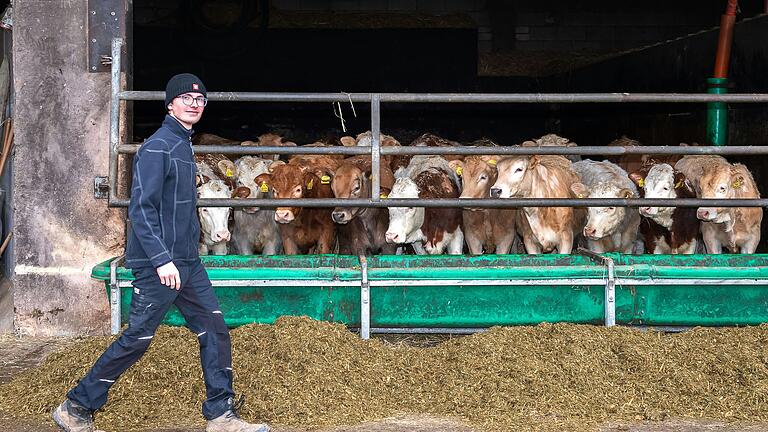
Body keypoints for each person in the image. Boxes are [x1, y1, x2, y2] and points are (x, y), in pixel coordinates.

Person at [52, 74, 270, 432]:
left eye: (200, 100)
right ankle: (76, 406)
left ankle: (220, 414)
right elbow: (141, 210)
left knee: (214, 330)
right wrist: (161, 260)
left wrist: (185, 257)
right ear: (170, 104)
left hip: (187, 262)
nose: (194, 104)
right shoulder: (157, 148)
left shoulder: (183, 145)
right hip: (160, 264)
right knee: (137, 339)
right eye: (186, 98)